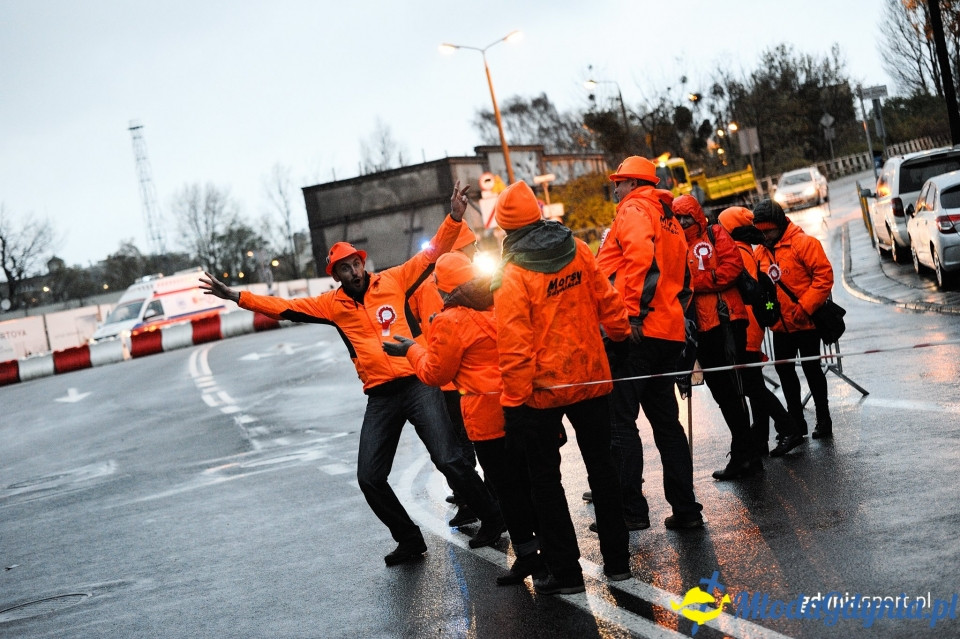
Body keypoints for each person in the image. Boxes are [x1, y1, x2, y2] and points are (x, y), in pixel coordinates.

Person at [199, 181, 504, 567]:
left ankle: (493, 517)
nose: (353, 270)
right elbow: (284, 306)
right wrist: (237, 296)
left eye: (356, 263)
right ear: (336, 275)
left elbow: (431, 254)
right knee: (369, 477)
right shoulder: (331, 305)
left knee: (449, 459)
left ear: (363, 262)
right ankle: (410, 539)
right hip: (381, 396)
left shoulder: (393, 280)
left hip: (416, 383)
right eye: (345, 268)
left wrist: (454, 218)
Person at [492, 180, 632, 595]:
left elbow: (515, 346)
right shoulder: (579, 249)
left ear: (506, 228)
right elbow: (608, 299)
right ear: (538, 214)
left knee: (546, 484)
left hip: (542, 393)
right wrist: (621, 337)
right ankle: (618, 563)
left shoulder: (512, 274)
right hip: (590, 377)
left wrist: (513, 403)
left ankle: (568, 574)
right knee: (603, 471)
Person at [384, 251, 546, 585]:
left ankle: (529, 556)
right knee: (533, 484)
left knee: (507, 491)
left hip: (486, 419)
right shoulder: (499, 300)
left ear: (443, 288)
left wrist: (411, 349)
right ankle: (552, 555)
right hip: (522, 406)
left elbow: (435, 373)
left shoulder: (450, 320)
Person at [595, 156, 704, 529]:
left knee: (621, 423)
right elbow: (685, 279)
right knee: (667, 424)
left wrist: (632, 315)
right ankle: (686, 509)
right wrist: (670, 314)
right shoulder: (668, 217)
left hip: (636, 334)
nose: (615, 189)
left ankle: (632, 511)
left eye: (619, 183)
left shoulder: (634, 210)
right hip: (667, 332)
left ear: (633, 183)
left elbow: (640, 260)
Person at [673, 195, 758, 480]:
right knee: (723, 393)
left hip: (726, 322)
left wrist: (695, 283)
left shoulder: (716, 233)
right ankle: (747, 452)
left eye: (687, 216)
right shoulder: (675, 242)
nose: (683, 221)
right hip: (700, 329)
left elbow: (731, 269)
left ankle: (744, 454)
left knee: (735, 390)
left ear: (697, 215)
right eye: (678, 217)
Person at [407, 223, 483, 527]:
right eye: (471, 245)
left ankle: (469, 496)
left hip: (445, 375)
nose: (475, 251)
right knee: (466, 442)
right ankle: (471, 497)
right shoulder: (461, 279)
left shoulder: (432, 281)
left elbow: (413, 321)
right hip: (456, 377)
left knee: (459, 443)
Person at [717, 207, 805, 457]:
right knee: (754, 386)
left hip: (745, 327)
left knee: (752, 387)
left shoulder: (737, 252)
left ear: (730, 228)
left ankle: (788, 428)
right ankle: (761, 439)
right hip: (750, 325)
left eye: (721, 226)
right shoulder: (746, 250)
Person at [752, 198, 835, 439]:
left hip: (806, 324)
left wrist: (805, 307)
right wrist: (769, 312)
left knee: (813, 372)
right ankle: (796, 424)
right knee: (786, 375)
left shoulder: (804, 243)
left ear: (780, 224)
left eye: (769, 231)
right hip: (780, 328)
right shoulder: (759, 254)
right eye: (761, 232)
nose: (765, 236)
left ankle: (824, 419)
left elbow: (824, 277)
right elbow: (764, 292)